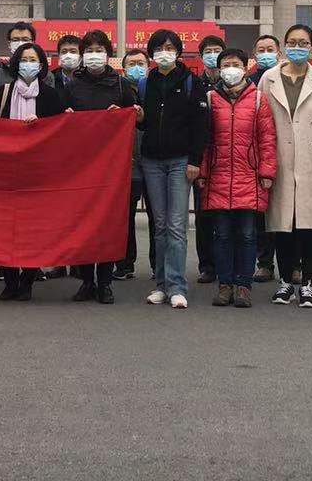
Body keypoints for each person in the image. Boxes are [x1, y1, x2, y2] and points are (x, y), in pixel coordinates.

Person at [258, 23, 312, 309]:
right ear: (284, 46)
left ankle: (308, 284)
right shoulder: (269, 78)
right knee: (282, 225)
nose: (297, 47)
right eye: (292, 42)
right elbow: (260, 120)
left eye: (303, 43)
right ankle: (284, 283)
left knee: (310, 225)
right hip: (279, 159)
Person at [62, 29, 138, 303]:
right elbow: (60, 122)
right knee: (82, 223)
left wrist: (128, 115)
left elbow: (137, 118)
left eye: (99, 50)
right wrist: (66, 117)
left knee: (107, 223)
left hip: (111, 167)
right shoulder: (73, 85)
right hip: (80, 166)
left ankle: (105, 282)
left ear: (108, 54)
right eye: (89, 50)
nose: (94, 55)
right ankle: (86, 281)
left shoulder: (121, 84)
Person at [198, 48, 277, 308]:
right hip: (218, 176)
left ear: (245, 68)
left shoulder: (258, 99)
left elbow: (267, 139)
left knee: (247, 235)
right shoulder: (210, 98)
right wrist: (202, 172)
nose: (230, 69)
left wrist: (267, 172)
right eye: (226, 65)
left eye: (235, 64)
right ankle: (225, 285)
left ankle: (243, 286)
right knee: (221, 235)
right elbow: (204, 141)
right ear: (219, 69)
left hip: (249, 176)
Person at [137, 29, 207, 311]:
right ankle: (161, 285)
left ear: (178, 52)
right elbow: (145, 124)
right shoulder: (145, 83)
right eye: (159, 48)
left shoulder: (191, 82)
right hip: (152, 161)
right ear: (151, 53)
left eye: (169, 47)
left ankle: (177, 287)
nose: (164, 52)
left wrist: (195, 160)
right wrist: (140, 118)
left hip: (180, 161)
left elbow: (200, 125)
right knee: (160, 226)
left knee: (177, 226)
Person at [0, 42, 65, 300]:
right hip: (7, 170)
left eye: (33, 59)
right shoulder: (3, 92)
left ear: (42, 65)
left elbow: (59, 132)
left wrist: (42, 125)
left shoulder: (50, 95)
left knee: (34, 227)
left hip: (38, 171)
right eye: (24, 59)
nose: (28, 64)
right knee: (6, 227)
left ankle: (28, 280)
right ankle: (10, 280)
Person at [44, 32, 85, 280]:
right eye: (64, 51)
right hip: (56, 151)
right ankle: (58, 260)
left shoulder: (87, 79)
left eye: (73, 51)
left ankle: (79, 260)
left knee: (79, 210)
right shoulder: (50, 79)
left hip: (83, 154)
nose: (69, 55)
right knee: (58, 211)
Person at [193, 32, 227, 284]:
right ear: (201, 56)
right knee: (204, 215)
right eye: (208, 51)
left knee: (227, 216)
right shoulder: (195, 85)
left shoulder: (235, 84)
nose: (213, 56)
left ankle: (229, 264)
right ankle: (207, 265)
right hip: (203, 157)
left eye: (217, 51)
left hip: (229, 157)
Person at [117, 47, 152, 281]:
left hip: (152, 161)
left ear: (148, 67)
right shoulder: (118, 90)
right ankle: (124, 264)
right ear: (124, 68)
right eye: (131, 64)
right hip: (126, 164)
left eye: (140, 63)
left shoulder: (154, 89)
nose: (136, 68)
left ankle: (158, 265)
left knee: (157, 217)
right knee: (125, 217)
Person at [251, 33, 282, 281]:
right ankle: (264, 262)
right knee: (261, 213)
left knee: (287, 211)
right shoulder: (249, 81)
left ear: (279, 52)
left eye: (270, 49)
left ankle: (294, 264)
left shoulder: (288, 77)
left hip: (287, 151)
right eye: (261, 50)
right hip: (258, 153)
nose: (266, 54)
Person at [0, 21, 43, 105]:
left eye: (25, 39)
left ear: (33, 42)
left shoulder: (44, 75)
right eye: (15, 40)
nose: (20, 43)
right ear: (9, 44)